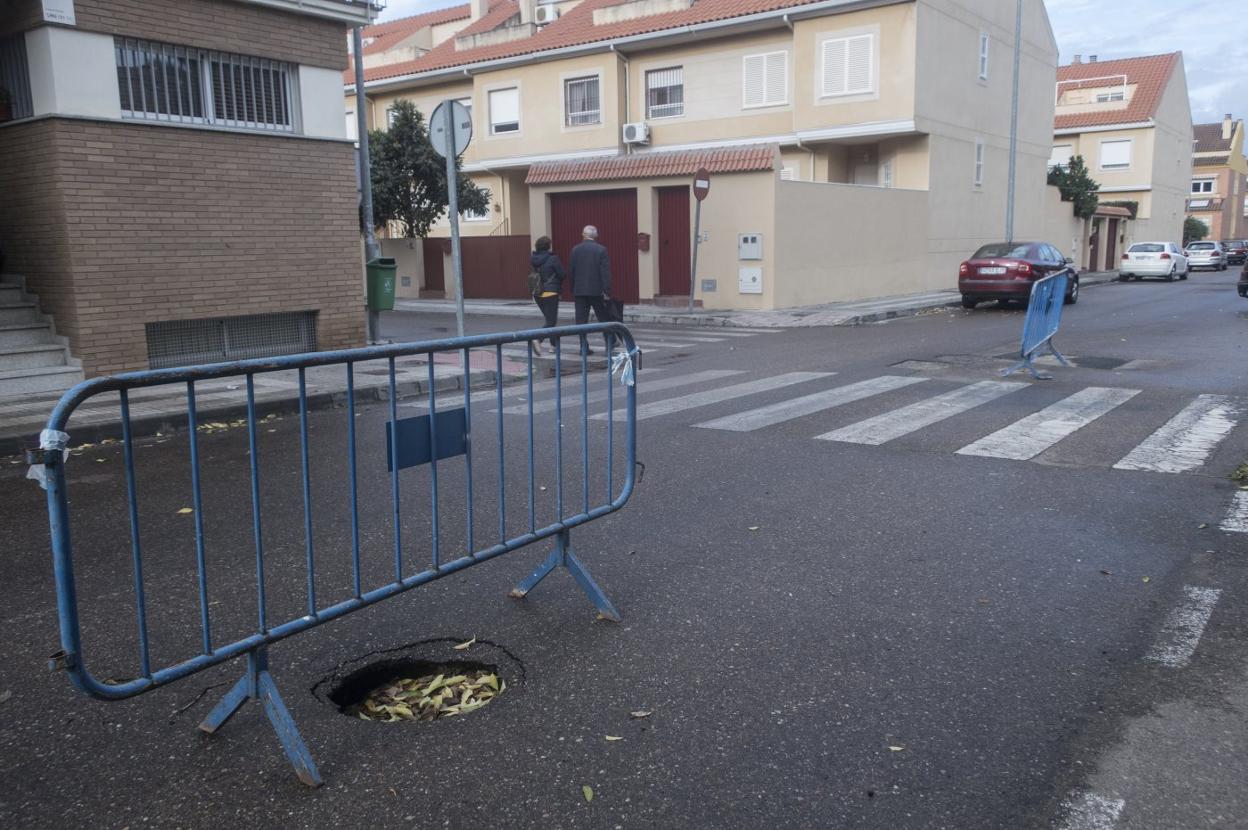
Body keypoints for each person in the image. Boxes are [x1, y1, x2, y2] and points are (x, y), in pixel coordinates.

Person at [568, 225, 613, 354]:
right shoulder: (601, 250)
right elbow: (605, 272)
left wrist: (573, 288)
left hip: (580, 291)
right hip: (597, 291)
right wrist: (607, 291)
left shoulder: (575, 250)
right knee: (603, 319)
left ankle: (583, 346)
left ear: (583, 235)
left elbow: (571, 271)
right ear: (596, 236)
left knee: (581, 321)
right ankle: (609, 345)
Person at [529, 236, 565, 356]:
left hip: (538, 293)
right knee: (551, 321)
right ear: (548, 246)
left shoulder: (533, 258)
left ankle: (553, 346)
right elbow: (562, 274)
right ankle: (538, 339)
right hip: (551, 293)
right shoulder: (553, 259)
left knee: (550, 320)